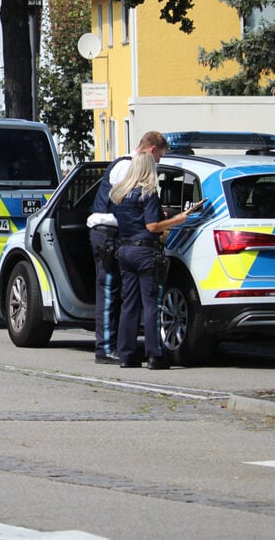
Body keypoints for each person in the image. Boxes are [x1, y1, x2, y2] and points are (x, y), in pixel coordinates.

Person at [87, 131, 169, 365]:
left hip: (119, 239)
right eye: (159, 158)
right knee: (110, 292)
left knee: (125, 298)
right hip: (109, 234)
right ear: (151, 151)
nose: (158, 164)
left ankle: (123, 352)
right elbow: (133, 207)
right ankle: (105, 349)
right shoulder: (127, 167)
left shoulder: (127, 167)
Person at [109, 152, 190, 370]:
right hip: (145, 252)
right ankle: (155, 355)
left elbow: (133, 220)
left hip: (124, 250)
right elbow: (152, 227)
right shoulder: (149, 193)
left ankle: (126, 354)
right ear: (149, 169)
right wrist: (176, 219)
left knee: (129, 304)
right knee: (151, 303)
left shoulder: (119, 193)